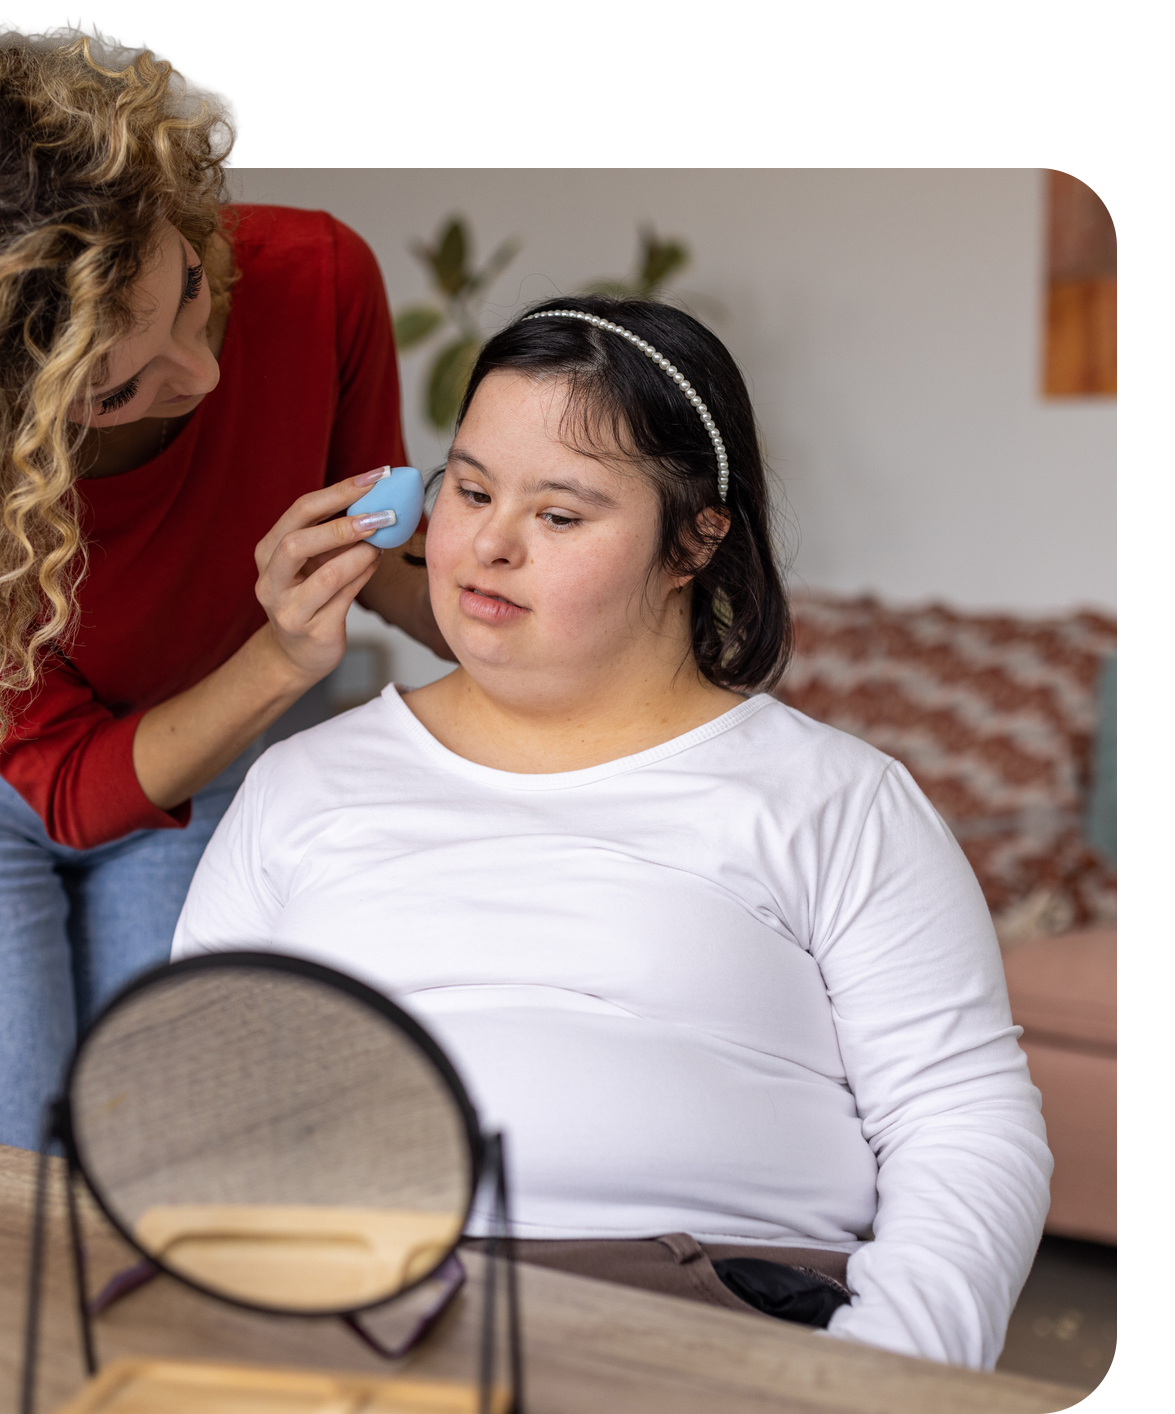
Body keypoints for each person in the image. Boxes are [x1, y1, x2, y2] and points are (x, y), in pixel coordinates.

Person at [172, 295, 1052, 1370]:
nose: (488, 545)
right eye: (471, 488)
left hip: (695, 1318)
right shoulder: (304, 783)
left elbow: (962, 1120)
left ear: (693, 541)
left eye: (560, 515)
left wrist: (879, 1372)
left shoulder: (833, 799)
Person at [0, 36, 447, 1149]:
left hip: (205, 756)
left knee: (159, 1153)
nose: (198, 372)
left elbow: (379, 556)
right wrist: (283, 660)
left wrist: (577, 643)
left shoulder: (316, 278)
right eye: (115, 387)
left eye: (189, 290)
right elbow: (68, 786)